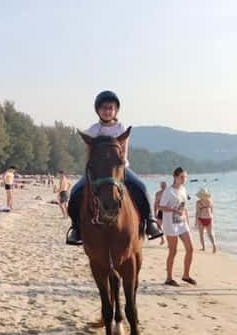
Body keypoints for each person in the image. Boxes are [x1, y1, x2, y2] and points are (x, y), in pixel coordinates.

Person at [65, 90, 164, 245]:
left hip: (118, 168)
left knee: (141, 186)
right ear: (98, 110)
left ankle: (150, 221)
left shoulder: (120, 128)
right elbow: (89, 153)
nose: (107, 111)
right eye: (104, 108)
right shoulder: (93, 130)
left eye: (111, 108)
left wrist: (121, 164)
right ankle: (76, 228)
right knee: (76, 191)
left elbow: (124, 151)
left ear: (116, 110)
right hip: (98, 171)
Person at [161, 167, 196, 286]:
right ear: (175, 177)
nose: (184, 179)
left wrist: (188, 222)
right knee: (173, 251)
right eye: (181, 177)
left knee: (190, 248)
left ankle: (186, 275)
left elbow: (184, 207)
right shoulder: (168, 191)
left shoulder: (183, 189)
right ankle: (169, 278)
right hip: (170, 224)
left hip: (182, 223)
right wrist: (173, 210)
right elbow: (161, 207)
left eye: (185, 177)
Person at [195, 188, 217, 252]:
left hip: (201, 218)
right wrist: (212, 218)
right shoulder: (210, 201)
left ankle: (203, 247)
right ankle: (214, 245)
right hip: (209, 218)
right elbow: (212, 211)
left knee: (201, 234)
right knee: (210, 233)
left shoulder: (198, 202)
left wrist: (196, 221)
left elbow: (197, 212)